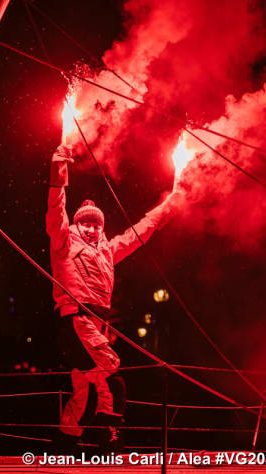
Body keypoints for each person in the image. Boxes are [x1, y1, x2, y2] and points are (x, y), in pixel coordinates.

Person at [46, 144, 181, 452]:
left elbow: (139, 231)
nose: (92, 228)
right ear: (77, 224)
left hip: (96, 323)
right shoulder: (64, 242)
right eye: (86, 223)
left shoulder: (108, 250)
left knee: (84, 384)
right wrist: (58, 171)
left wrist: (169, 205)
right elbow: (55, 209)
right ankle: (104, 435)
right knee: (112, 375)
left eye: (96, 223)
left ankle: (67, 439)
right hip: (76, 320)